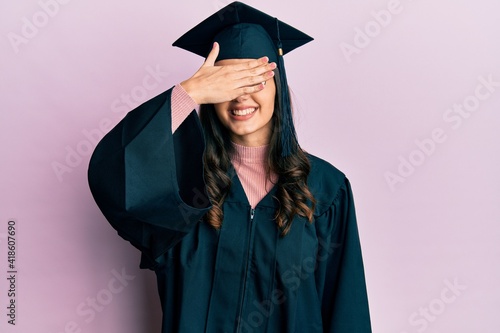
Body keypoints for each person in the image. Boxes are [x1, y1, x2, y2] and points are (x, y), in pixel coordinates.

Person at [88, 2, 371, 332]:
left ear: (279, 85)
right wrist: (188, 94)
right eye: (228, 81)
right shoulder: (181, 187)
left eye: (255, 79)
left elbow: (346, 310)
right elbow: (112, 176)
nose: (241, 96)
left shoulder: (325, 190)